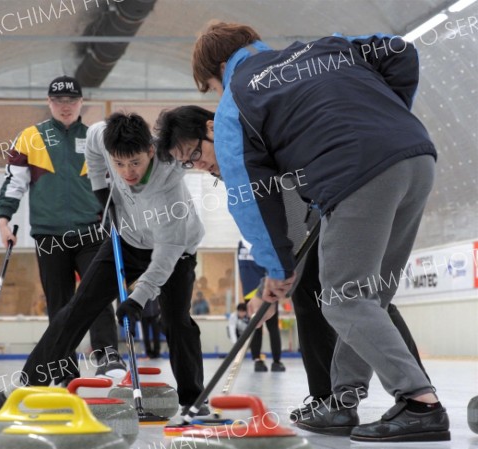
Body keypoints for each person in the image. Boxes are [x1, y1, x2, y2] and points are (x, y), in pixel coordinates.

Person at [182, 22, 448, 442]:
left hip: (355, 172)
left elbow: (249, 195)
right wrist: (388, 117)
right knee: (369, 295)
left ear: (219, 69)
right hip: (414, 156)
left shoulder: (238, 99)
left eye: (213, 86)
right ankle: (342, 402)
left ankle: (420, 403)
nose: (218, 94)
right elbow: (399, 51)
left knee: (343, 298)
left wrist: (275, 267)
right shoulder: (324, 48)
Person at [0, 112, 209, 417]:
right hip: (127, 238)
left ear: (149, 150)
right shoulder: (101, 137)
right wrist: (100, 191)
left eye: (134, 163)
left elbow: (165, 257)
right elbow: (93, 149)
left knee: (175, 321)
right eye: (118, 164)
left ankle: (194, 398)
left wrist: (137, 299)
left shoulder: (168, 186)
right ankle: (26, 386)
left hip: (176, 249)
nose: (127, 172)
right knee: (77, 308)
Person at [0, 75, 124, 381]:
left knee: (99, 292)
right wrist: (4, 219)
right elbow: (14, 182)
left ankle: (107, 353)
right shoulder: (30, 137)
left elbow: (116, 179)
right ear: (49, 103)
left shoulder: (97, 136)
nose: (65, 107)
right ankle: (65, 367)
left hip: (92, 231)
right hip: (49, 234)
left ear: (81, 102)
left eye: (71, 101)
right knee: (60, 304)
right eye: (58, 102)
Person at [238, 239, 284, 372]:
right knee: (273, 327)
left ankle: (257, 360)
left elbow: (241, 269)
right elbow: (269, 263)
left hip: (249, 291)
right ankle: (276, 362)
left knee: (255, 328)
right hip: (265, 288)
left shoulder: (241, 244)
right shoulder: (258, 238)